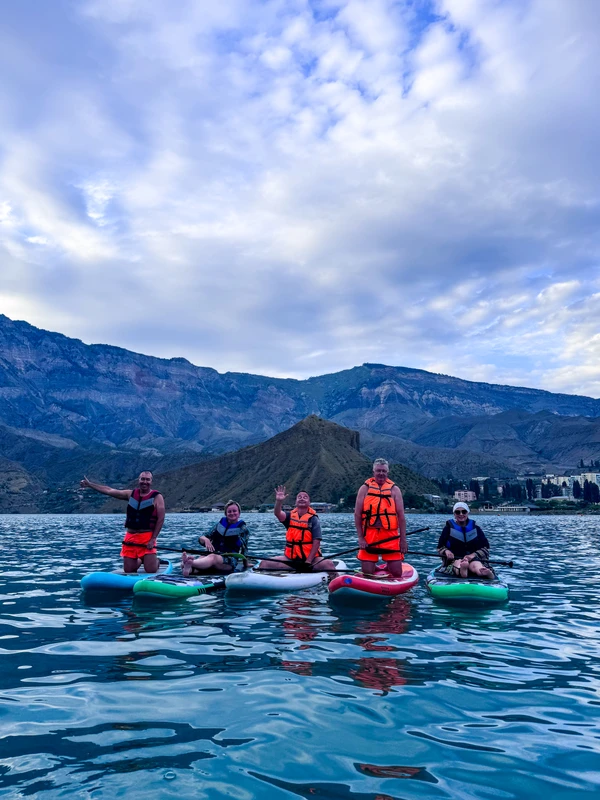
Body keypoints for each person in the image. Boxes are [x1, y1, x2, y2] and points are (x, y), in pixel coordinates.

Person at [80, 471, 164, 573]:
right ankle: (140, 560)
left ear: (151, 481)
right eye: (142, 479)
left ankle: (156, 561)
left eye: (147, 479)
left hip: (147, 536)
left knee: (150, 570)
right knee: (128, 570)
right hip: (131, 537)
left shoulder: (157, 497)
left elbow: (160, 519)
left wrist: (153, 539)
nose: (144, 482)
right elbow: (109, 490)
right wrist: (90, 485)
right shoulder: (130, 494)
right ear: (139, 480)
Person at [258, 486, 336, 571]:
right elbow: (277, 513)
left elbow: (316, 542)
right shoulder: (289, 517)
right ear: (296, 502)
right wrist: (279, 501)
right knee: (264, 563)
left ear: (309, 503)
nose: (302, 498)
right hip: (291, 559)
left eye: (305, 497)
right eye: (299, 497)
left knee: (329, 564)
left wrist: (308, 561)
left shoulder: (313, 519)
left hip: (311, 560)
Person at [354, 458, 407, 578]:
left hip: (390, 536)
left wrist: (403, 540)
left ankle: (389, 566)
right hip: (370, 535)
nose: (381, 473)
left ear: (387, 473)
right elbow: (357, 514)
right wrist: (361, 538)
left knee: (397, 573)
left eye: (383, 471)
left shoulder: (395, 490)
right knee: (367, 573)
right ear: (373, 472)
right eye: (378, 470)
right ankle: (374, 567)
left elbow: (401, 516)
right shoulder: (364, 489)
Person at [181, 500, 249, 576]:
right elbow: (201, 537)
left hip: (229, 560)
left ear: (239, 513)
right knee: (203, 557)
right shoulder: (218, 525)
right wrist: (206, 539)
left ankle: (190, 563)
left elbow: (244, 548)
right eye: (229, 511)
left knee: (212, 558)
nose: (232, 513)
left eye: (234, 511)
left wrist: (245, 564)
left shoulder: (243, 529)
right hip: (213, 555)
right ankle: (188, 569)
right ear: (226, 514)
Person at [437, 502, 493, 578]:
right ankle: (462, 570)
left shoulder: (476, 529)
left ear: (467, 513)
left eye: (464, 511)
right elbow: (440, 547)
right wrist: (446, 551)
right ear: (454, 514)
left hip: (474, 559)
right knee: (459, 563)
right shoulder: (447, 529)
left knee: (476, 565)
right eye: (457, 512)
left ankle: (483, 572)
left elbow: (485, 548)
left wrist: (472, 555)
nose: (461, 514)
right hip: (455, 560)